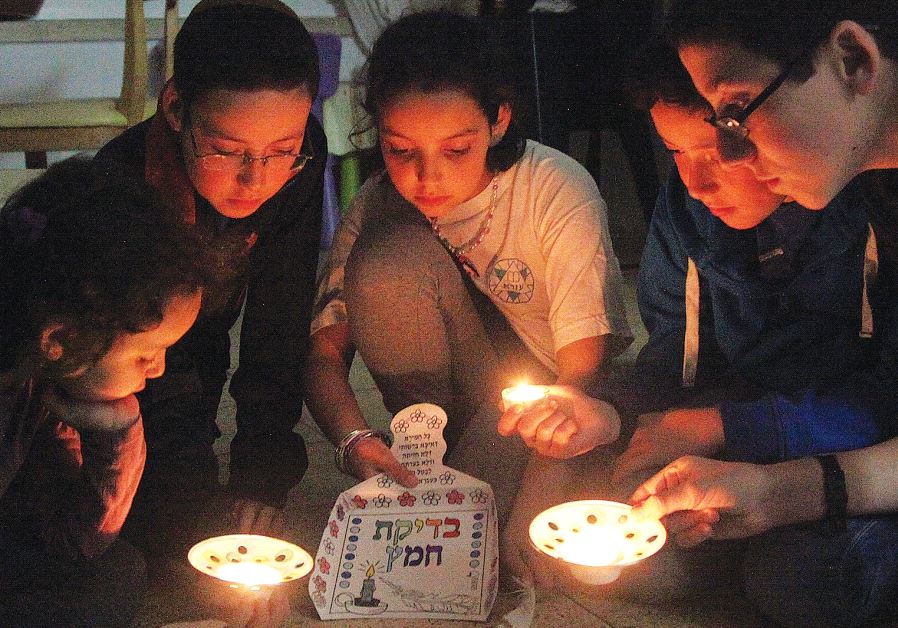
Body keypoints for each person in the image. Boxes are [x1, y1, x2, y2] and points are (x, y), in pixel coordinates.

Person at [624, 2, 898, 625]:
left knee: (806, 577)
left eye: (732, 111)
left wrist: (766, 466)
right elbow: (674, 351)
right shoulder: (872, 178)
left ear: (853, 58)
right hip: (833, 455)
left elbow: (882, 400)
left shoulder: (863, 210)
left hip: (846, 440)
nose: (730, 155)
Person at [306, 10, 631, 519]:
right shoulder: (379, 200)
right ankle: (437, 445)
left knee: (504, 537)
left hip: (557, 397)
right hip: (469, 390)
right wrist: (354, 440)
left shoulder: (554, 189)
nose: (426, 177)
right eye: (400, 150)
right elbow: (323, 353)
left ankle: (484, 469)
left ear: (498, 120)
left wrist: (542, 482)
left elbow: (584, 367)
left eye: (457, 149)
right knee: (386, 263)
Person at [92, 0, 327, 566]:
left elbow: (279, 323)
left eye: (280, 152)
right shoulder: (121, 188)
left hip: (207, 335)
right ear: (175, 107)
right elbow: (124, 377)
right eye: (226, 150)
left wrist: (259, 483)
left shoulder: (299, 160)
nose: (257, 179)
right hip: (131, 378)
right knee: (166, 540)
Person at [0, 160, 209, 626]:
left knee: (119, 574)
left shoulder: (42, 382)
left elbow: (74, 541)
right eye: (145, 354)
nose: (158, 369)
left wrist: (118, 430)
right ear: (58, 340)